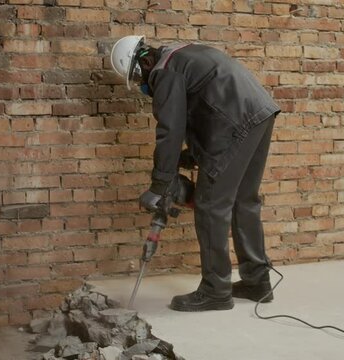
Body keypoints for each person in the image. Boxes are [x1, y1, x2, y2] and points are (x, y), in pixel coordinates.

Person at [110, 36, 281, 312]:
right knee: (243, 200)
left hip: (236, 119)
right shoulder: (181, 54)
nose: (143, 86)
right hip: (258, 110)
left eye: (138, 78)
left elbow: (171, 130)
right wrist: (188, 158)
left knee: (211, 204)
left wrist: (159, 185)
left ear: (142, 63)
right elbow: (205, 108)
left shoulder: (163, 72)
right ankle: (257, 281)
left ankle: (216, 291)